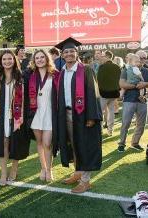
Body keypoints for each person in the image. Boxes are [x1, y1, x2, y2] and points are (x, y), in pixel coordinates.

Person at [54, 37, 102, 193]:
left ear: (77, 53)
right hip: (66, 114)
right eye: (66, 52)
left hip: (83, 115)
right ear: (62, 55)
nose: (69, 54)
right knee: (73, 145)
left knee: (85, 146)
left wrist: (91, 117)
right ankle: (78, 172)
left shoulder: (85, 70)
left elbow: (93, 93)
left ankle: (85, 181)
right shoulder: (62, 72)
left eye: (72, 51)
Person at [0, 50, 30, 186]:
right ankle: (3, 172)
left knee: (16, 143)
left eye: (10, 59)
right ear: (1, 61)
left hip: (17, 115)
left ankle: (14, 168)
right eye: (4, 59)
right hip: (0, 115)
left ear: (14, 60)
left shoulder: (21, 77)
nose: (7, 61)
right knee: (4, 142)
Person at [26, 49, 58, 182]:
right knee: (39, 142)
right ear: (34, 61)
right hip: (36, 113)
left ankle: (49, 169)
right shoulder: (30, 76)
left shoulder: (55, 75)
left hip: (50, 113)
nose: (39, 60)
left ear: (47, 59)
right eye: (37, 58)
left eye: (42, 57)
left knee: (47, 143)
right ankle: (43, 168)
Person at [118, 50, 148, 152]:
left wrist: (145, 84)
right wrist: (136, 86)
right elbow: (122, 85)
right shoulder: (126, 70)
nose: (143, 60)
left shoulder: (146, 71)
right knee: (126, 123)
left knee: (141, 124)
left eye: (145, 58)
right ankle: (121, 143)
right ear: (135, 58)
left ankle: (135, 143)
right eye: (141, 58)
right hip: (129, 100)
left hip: (143, 101)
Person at [97, 50, 121, 136]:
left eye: (103, 56)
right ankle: (110, 130)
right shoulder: (117, 67)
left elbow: (98, 80)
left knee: (101, 112)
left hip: (104, 93)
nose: (102, 57)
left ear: (107, 57)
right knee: (111, 112)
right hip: (114, 93)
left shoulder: (102, 67)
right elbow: (119, 80)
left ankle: (100, 130)